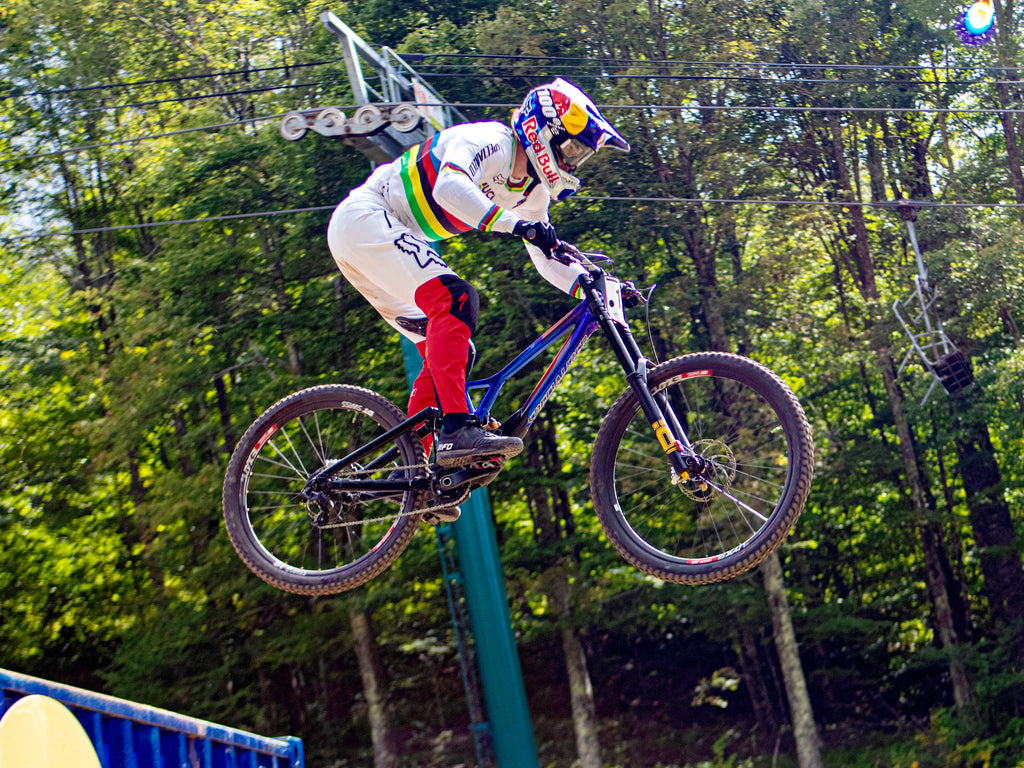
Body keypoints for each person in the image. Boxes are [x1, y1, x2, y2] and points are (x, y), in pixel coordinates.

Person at [327, 78, 629, 471]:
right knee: (456, 299)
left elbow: (544, 256)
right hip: (367, 219)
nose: (572, 163)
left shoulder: (531, 193)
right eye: (572, 149)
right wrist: (516, 226)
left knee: (451, 348)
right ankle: (455, 431)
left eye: (580, 156)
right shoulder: (494, 141)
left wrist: (590, 286)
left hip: (374, 240)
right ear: (543, 133)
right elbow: (449, 188)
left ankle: (418, 471)